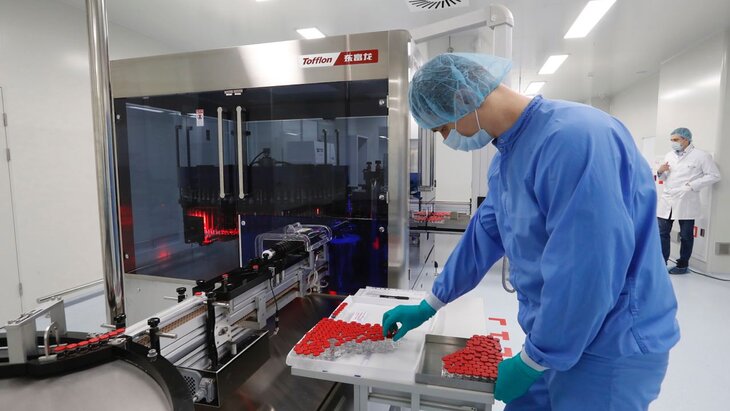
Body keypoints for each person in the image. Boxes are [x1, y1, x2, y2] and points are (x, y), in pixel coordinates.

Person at [381, 53, 680, 410]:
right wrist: (430, 303)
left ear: (464, 97)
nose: (447, 139)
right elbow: (484, 234)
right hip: (553, 332)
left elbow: (588, 267)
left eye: (443, 128)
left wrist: (534, 360)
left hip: (609, 346)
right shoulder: (506, 159)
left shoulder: (575, 138)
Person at [656, 127, 721, 274]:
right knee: (662, 233)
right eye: (671, 140)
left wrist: (692, 185)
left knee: (686, 235)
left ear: (686, 139)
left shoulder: (701, 156)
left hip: (686, 200)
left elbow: (714, 175)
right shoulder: (669, 155)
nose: (673, 142)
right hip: (667, 199)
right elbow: (665, 177)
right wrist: (660, 171)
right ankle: (661, 263)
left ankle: (682, 265)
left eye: (675, 139)